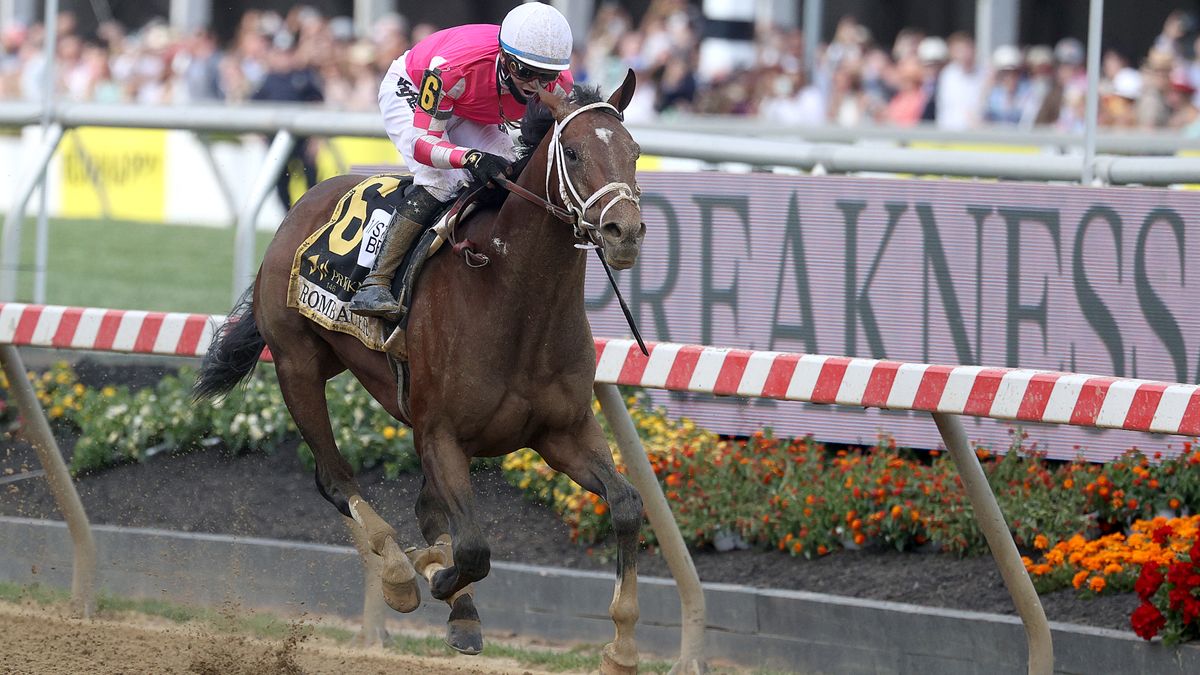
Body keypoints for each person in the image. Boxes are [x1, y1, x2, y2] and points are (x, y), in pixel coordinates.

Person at [349, 3, 573, 320]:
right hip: (412, 88)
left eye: (545, 76)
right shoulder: (450, 68)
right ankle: (376, 282)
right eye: (524, 72)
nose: (533, 85)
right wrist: (468, 157)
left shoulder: (562, 85)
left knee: (511, 172)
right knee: (442, 180)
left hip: (469, 106)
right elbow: (423, 144)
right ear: (505, 58)